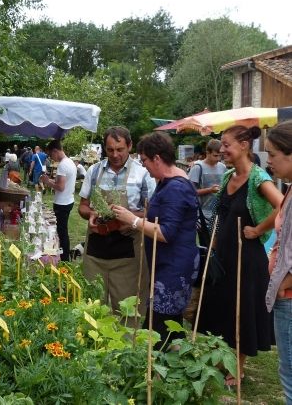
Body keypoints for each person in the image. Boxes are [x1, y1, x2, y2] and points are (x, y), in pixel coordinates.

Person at [198, 125, 283, 387]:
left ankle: (238, 367)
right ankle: (223, 360)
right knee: (222, 306)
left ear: (244, 145)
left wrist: (258, 229)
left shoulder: (259, 178)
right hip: (223, 254)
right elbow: (221, 215)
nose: (221, 150)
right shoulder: (227, 177)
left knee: (241, 308)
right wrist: (213, 241)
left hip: (247, 258)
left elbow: (283, 205)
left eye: (226, 144)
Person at [112, 132, 199, 345]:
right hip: (167, 265)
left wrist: (133, 220)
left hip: (174, 268)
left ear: (157, 158)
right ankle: (175, 369)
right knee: (170, 327)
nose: (145, 167)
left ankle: (158, 372)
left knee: (158, 329)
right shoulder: (168, 181)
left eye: (145, 161)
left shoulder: (176, 188)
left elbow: (166, 232)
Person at [78, 126, 154, 319]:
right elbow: (83, 207)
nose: (115, 154)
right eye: (110, 150)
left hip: (128, 250)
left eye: (120, 149)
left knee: (129, 309)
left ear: (129, 146)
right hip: (97, 248)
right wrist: (93, 213)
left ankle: (129, 347)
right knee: (92, 305)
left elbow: (151, 211)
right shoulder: (94, 171)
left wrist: (130, 217)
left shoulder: (143, 173)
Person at [265, 121, 292, 403]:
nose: (269, 160)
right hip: (285, 295)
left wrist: (284, 282)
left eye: (272, 154)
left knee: (290, 377)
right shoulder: (290, 189)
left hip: (290, 296)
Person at [40, 140, 77, 262]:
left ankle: (65, 258)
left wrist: (47, 181)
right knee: (62, 230)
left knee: (62, 232)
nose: (51, 158)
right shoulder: (70, 162)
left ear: (55, 151)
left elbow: (60, 187)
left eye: (51, 155)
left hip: (62, 203)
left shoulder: (62, 165)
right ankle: (64, 255)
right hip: (68, 200)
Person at [189, 139, 226, 224]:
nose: (218, 159)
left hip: (219, 213)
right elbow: (189, 191)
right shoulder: (197, 167)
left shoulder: (222, 167)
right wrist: (210, 190)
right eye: (215, 155)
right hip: (202, 214)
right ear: (207, 153)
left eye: (220, 156)